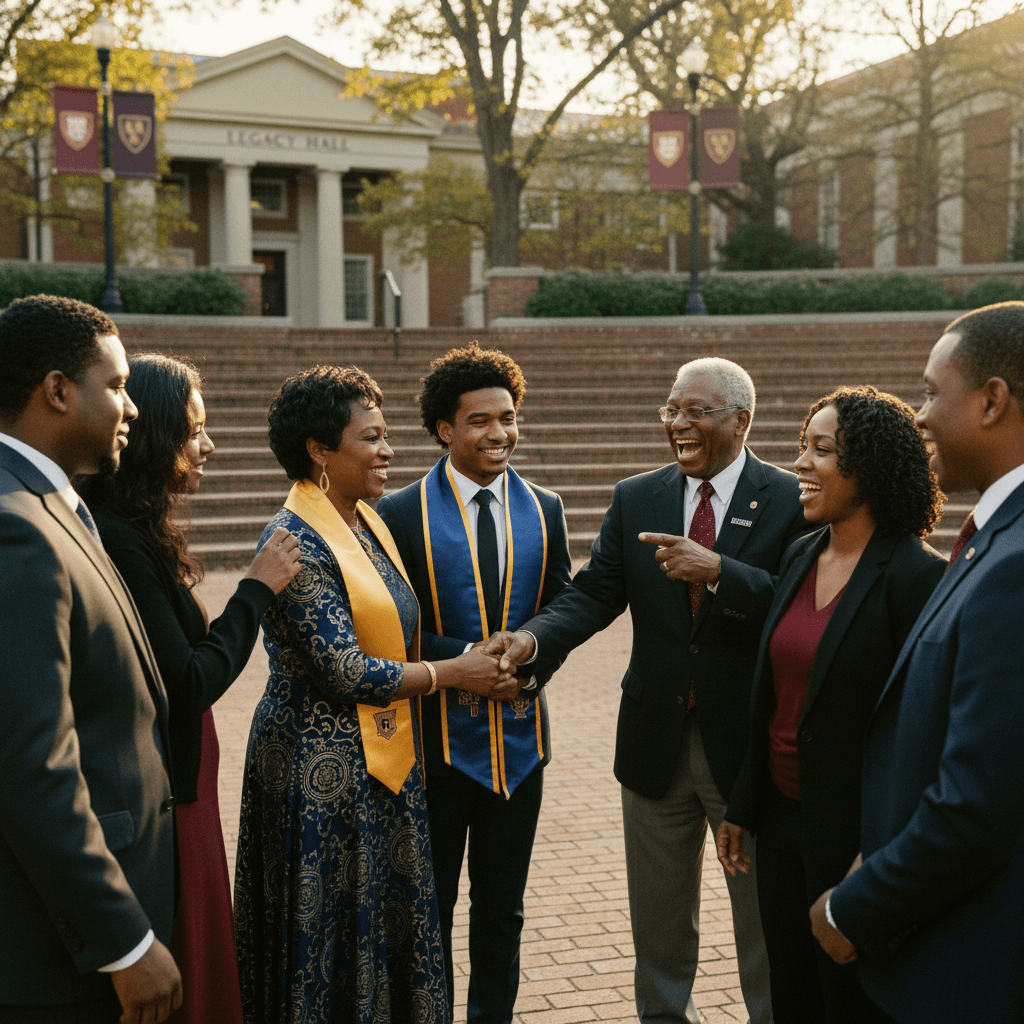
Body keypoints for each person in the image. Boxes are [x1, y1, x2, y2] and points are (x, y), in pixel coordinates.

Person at [496, 356, 812, 1024]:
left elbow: (803, 607)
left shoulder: (792, 499)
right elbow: (591, 595)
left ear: (741, 420)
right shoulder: (637, 496)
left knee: (765, 935)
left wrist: (722, 570)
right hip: (654, 748)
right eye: (672, 409)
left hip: (749, 755)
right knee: (659, 938)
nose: (679, 424)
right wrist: (530, 642)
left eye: (697, 411)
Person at [233, 364, 516, 1024]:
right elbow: (347, 670)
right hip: (317, 780)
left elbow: (398, 642)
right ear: (320, 451)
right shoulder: (295, 540)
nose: (389, 450)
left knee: (380, 936)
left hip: (381, 770)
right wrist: (455, 674)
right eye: (373, 437)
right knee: (329, 938)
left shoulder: (365, 524)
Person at [808, 303, 1024, 1022]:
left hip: (970, 967)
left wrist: (853, 908)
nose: (921, 415)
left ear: (992, 400)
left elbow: (979, 804)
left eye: (933, 391)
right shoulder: (995, 540)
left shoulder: (1015, 564)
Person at [79, 354, 301, 1024]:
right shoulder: (119, 540)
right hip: (169, 801)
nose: (207, 445)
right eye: (192, 432)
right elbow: (190, 680)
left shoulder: (139, 530)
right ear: (153, 441)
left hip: (190, 792)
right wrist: (255, 592)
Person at [715, 386, 945, 1024]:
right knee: (792, 992)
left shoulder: (915, 577)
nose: (801, 463)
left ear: (867, 469)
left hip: (858, 837)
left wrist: (882, 852)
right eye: (801, 446)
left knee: (851, 1000)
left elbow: (921, 731)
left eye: (822, 449)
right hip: (782, 825)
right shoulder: (799, 554)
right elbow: (775, 698)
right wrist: (744, 802)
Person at [377, 343, 572, 1023]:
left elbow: (561, 605)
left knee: (503, 911)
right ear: (444, 429)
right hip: (434, 752)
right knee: (426, 910)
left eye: (508, 418)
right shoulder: (400, 513)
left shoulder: (544, 506)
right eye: (481, 421)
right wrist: (464, 660)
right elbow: (389, 626)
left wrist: (531, 661)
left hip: (521, 749)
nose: (500, 434)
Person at [0, 295, 180, 1023]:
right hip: (59, 963)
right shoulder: (16, 532)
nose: (131, 407)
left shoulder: (55, 506)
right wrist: (124, 942)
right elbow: (31, 764)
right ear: (57, 391)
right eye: (117, 385)